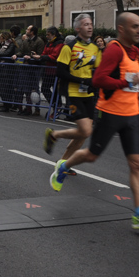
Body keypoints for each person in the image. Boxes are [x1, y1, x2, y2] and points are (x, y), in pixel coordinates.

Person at [50, 12, 139, 230]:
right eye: (135, 26)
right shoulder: (114, 49)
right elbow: (99, 79)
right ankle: (63, 166)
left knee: (138, 163)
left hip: (131, 114)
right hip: (110, 113)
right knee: (91, 156)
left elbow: (128, 79)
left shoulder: (136, 51)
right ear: (122, 29)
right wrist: (128, 82)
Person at [43, 14, 101, 174]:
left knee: (83, 134)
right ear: (77, 28)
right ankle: (55, 135)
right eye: (86, 24)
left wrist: (94, 82)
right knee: (86, 130)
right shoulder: (68, 47)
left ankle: (63, 164)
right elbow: (60, 72)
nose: (90, 27)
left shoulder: (95, 48)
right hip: (73, 93)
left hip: (88, 95)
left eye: (91, 24)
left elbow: (99, 70)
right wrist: (81, 80)